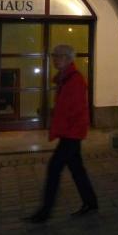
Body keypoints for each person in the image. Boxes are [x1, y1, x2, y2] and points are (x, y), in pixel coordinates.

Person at [24, 44, 98, 224]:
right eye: (54, 56)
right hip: (69, 132)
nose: (55, 59)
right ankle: (91, 202)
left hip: (71, 133)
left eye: (58, 56)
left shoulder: (74, 79)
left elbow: (76, 109)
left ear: (68, 58)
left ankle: (45, 212)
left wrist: (68, 128)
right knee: (77, 169)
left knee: (54, 169)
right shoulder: (65, 78)